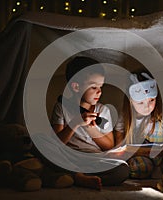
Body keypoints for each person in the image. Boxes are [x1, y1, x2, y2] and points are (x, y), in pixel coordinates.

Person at [51, 56, 129, 190]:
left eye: (101, 86)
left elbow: (108, 145)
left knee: (122, 169)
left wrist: (90, 128)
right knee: (41, 143)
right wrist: (75, 123)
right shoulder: (61, 107)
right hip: (69, 156)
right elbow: (56, 144)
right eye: (93, 87)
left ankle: (74, 176)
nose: (99, 91)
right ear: (76, 87)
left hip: (93, 159)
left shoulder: (103, 110)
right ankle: (76, 176)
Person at [114, 71, 163, 179]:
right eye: (140, 103)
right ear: (131, 101)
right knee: (139, 168)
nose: (147, 106)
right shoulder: (124, 116)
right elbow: (119, 147)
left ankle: (161, 169)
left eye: (151, 100)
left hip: (162, 156)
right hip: (137, 156)